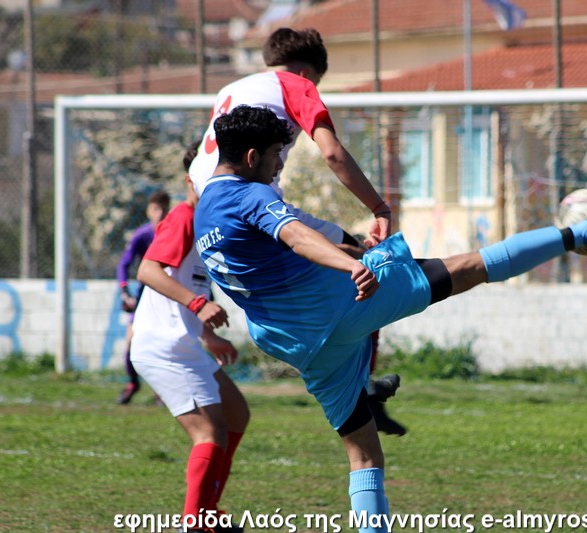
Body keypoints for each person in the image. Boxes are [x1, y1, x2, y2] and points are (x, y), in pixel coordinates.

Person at [192, 106, 587, 532]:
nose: (278, 169)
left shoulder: (205, 209)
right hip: (334, 306)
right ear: (252, 157)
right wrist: (351, 266)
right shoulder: (250, 194)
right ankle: (582, 232)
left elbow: (279, 250)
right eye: (274, 158)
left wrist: (349, 252)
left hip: (291, 340)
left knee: (364, 454)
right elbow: (295, 237)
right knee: (469, 267)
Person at [189, 26, 406, 435]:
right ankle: (360, 388)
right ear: (309, 72)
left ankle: (356, 383)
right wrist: (378, 206)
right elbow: (332, 152)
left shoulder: (231, 89)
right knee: (363, 258)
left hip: (209, 207)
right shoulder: (295, 84)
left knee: (316, 272)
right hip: (250, 202)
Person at [130, 142, 249, 533]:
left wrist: (205, 334)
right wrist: (199, 306)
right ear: (191, 180)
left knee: (236, 414)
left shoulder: (205, 224)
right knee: (209, 432)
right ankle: (195, 523)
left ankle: (208, 512)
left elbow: (184, 283)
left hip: (181, 342)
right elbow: (148, 271)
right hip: (161, 347)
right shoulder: (183, 216)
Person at [116, 188, 171, 404]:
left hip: (168, 297)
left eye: (163, 209)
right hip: (143, 295)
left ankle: (162, 390)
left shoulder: (174, 232)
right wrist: (124, 292)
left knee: (167, 346)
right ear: (149, 211)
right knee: (130, 345)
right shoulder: (143, 235)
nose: (159, 214)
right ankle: (133, 382)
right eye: (155, 209)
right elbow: (124, 263)